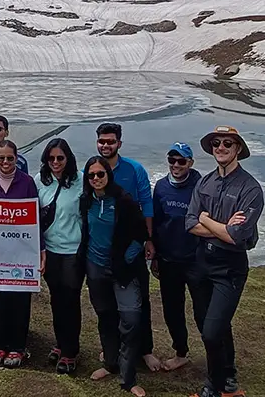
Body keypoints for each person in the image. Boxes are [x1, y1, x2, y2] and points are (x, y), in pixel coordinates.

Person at [185, 126, 263, 397]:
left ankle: (214, 387)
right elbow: (190, 223)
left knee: (211, 331)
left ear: (238, 148)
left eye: (228, 143)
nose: (221, 147)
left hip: (229, 268)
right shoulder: (204, 182)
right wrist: (220, 228)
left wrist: (206, 220)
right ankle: (228, 374)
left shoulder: (250, 188)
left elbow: (237, 236)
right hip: (201, 263)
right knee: (208, 322)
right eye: (216, 143)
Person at [81, 156, 150, 397]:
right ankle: (110, 363)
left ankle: (128, 378)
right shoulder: (86, 200)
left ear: (108, 175)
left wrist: (125, 259)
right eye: (92, 176)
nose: (96, 179)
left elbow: (140, 235)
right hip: (95, 268)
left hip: (122, 271)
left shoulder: (124, 201)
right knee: (105, 316)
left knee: (130, 319)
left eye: (101, 174)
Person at [95, 122, 160, 372]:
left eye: (110, 141)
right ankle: (113, 348)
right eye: (102, 141)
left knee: (139, 297)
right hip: (102, 248)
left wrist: (149, 239)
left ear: (119, 143)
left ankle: (145, 350)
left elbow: (147, 203)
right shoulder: (93, 171)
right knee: (108, 303)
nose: (106, 145)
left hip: (131, 245)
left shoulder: (134, 169)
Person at [0, 140, 41, 368]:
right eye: (1, 158)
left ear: (17, 159)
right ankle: (0, 342)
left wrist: (39, 250)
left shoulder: (27, 183)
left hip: (22, 252)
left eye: (10, 158)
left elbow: (34, 220)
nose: (5, 162)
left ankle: (17, 346)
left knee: (19, 300)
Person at [151, 142, 202, 371]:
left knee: (203, 309)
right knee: (173, 309)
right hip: (169, 259)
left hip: (195, 260)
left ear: (190, 163)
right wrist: (155, 257)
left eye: (181, 161)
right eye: (172, 160)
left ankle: (216, 353)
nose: (176, 165)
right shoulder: (161, 187)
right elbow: (157, 223)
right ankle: (181, 352)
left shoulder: (201, 186)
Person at [35, 138, 83, 375]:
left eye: (60, 158)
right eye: (51, 158)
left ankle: (70, 351)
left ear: (68, 158)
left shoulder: (81, 180)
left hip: (73, 251)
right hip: (50, 250)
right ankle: (60, 342)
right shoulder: (39, 181)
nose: (55, 162)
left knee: (70, 300)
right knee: (56, 298)